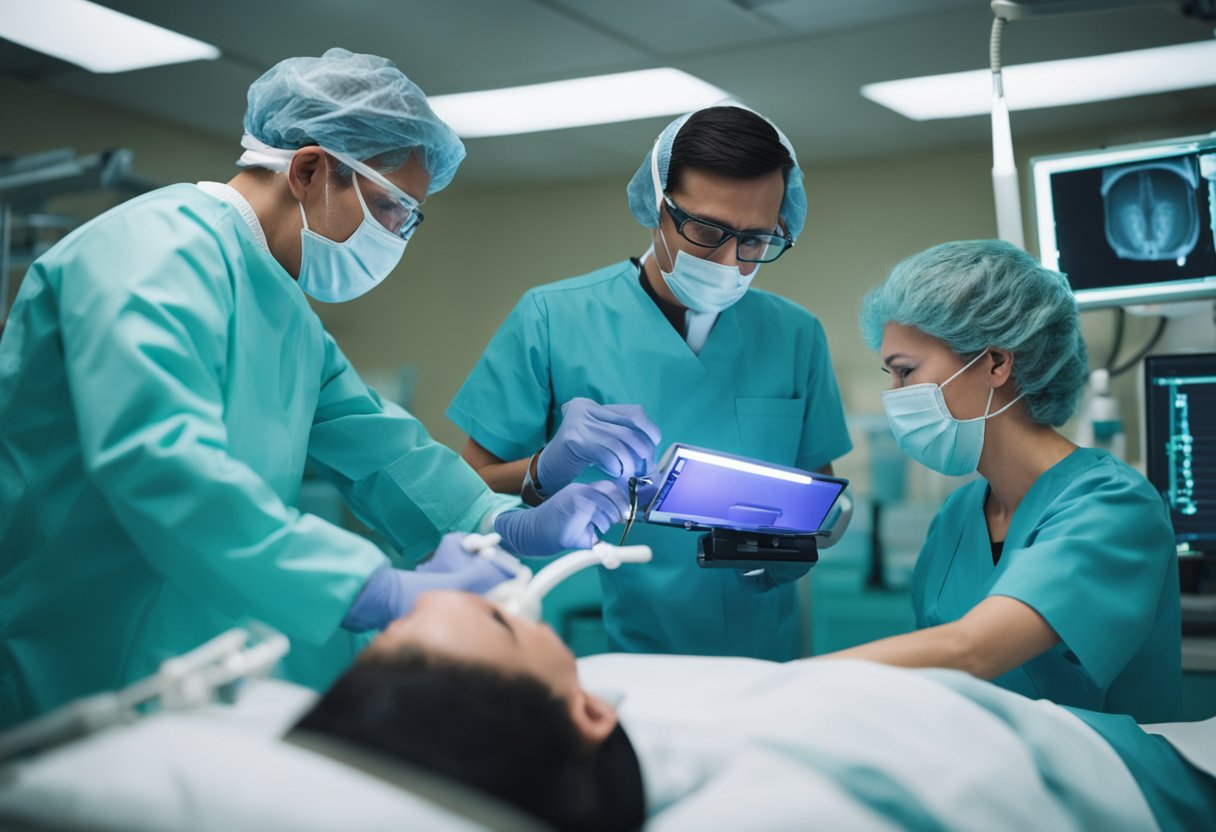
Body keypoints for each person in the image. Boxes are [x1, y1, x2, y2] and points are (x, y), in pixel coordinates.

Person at [0, 48, 626, 728]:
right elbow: (162, 464)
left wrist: (497, 522)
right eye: (393, 209)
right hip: (64, 648)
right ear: (307, 169)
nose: (399, 236)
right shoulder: (150, 252)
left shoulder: (286, 313)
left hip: (180, 656)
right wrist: (373, 588)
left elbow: (385, 451)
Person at [447, 106, 852, 660]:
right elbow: (467, 489)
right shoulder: (552, 317)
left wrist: (801, 543)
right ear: (657, 206)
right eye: (707, 230)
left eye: (757, 240)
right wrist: (544, 471)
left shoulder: (795, 334)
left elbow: (817, 495)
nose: (731, 260)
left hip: (762, 648)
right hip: (603, 643)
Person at [294, 590, 1216, 832]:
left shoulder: (599, 681)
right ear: (582, 715)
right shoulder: (779, 805)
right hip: (1145, 780)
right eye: (503, 620)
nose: (524, 608)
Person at [826, 239, 1181, 722]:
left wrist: (782, 684)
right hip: (988, 768)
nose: (895, 397)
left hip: (1104, 779)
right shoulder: (957, 515)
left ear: (996, 362)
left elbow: (969, 650)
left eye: (906, 372)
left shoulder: (1114, 506)